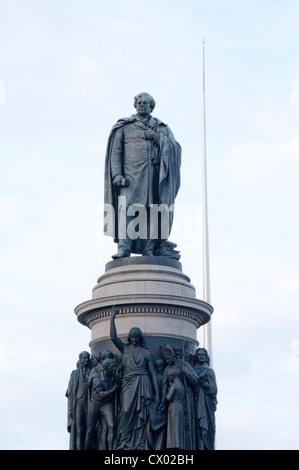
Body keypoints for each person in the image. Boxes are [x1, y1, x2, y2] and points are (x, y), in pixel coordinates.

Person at [104, 92, 181, 259]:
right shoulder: (125, 127)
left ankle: (150, 248)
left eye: (146, 102)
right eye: (139, 102)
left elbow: (175, 149)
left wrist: (157, 138)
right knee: (127, 211)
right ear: (135, 105)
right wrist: (116, 174)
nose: (142, 105)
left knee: (153, 212)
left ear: (151, 106)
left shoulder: (162, 129)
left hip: (155, 178)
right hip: (130, 179)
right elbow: (115, 153)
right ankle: (124, 247)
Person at [110, 308, 160, 450]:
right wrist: (112, 318)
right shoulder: (124, 349)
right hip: (128, 383)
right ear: (129, 337)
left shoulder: (146, 353)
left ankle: (139, 443)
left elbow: (153, 373)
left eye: (136, 336)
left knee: (141, 414)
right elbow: (114, 337)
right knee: (125, 410)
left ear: (140, 338)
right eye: (132, 336)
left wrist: (157, 392)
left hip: (143, 383)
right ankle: (125, 442)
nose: (134, 339)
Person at [160, 344, 198, 450]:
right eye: (165, 359)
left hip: (186, 400)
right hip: (173, 403)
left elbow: (195, 382)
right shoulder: (167, 369)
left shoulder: (183, 364)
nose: (167, 361)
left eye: (168, 358)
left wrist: (186, 373)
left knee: (185, 428)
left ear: (173, 355)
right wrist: (163, 402)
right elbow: (164, 386)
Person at [85, 356, 120, 450]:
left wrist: (117, 383)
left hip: (106, 404)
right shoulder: (96, 376)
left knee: (112, 426)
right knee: (90, 430)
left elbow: (119, 383)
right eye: (113, 366)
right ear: (106, 367)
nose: (114, 368)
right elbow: (102, 394)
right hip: (95, 404)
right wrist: (115, 388)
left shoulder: (113, 375)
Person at [193, 348, 218, 450]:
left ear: (206, 356)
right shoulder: (193, 369)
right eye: (199, 355)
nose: (201, 356)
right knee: (198, 426)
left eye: (203, 354)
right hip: (196, 400)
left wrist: (205, 385)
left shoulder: (210, 371)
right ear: (196, 357)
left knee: (208, 427)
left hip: (207, 402)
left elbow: (214, 389)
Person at [66, 351, 91, 450]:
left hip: (89, 403)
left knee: (89, 429)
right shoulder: (75, 374)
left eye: (87, 358)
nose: (86, 360)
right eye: (84, 358)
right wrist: (70, 409)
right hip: (78, 403)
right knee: (79, 430)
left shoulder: (92, 372)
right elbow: (69, 393)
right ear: (80, 359)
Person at [165, 368, 185, 449]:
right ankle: (179, 444)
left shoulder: (174, 385)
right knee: (178, 426)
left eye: (169, 377)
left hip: (174, 406)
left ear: (172, 376)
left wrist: (168, 390)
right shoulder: (181, 385)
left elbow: (168, 397)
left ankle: (175, 445)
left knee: (174, 426)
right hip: (180, 406)